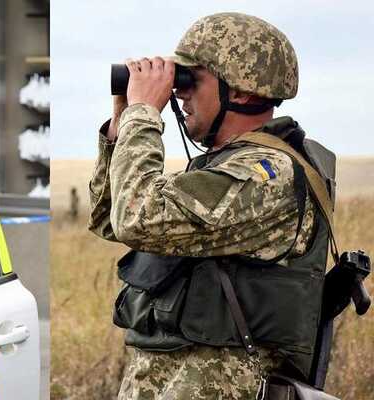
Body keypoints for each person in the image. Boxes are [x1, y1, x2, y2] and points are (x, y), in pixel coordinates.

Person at [89, 13, 335, 399]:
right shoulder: (218, 168)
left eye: (191, 79)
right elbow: (110, 219)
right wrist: (123, 122)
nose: (178, 92)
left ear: (240, 92)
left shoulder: (269, 175)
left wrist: (144, 115)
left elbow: (137, 219)